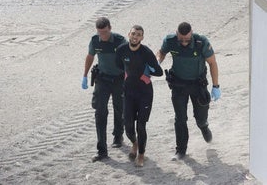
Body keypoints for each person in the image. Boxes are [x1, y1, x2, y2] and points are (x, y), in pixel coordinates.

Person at [156, 22, 221, 160]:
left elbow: (212, 63)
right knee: (180, 119)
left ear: (191, 33)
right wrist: (157, 62)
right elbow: (161, 52)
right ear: (176, 34)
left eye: (187, 39)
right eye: (181, 39)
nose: (184, 42)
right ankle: (181, 150)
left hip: (198, 85)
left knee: (200, 117)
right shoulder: (170, 41)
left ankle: (203, 126)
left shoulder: (201, 42)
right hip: (178, 85)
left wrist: (216, 86)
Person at [116, 25, 163, 167]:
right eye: (133, 34)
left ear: (142, 38)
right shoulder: (121, 50)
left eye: (139, 35)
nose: (135, 36)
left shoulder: (146, 53)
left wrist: (146, 73)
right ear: (129, 34)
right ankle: (135, 144)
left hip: (145, 93)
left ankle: (141, 155)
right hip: (129, 91)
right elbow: (119, 65)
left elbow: (159, 72)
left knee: (141, 125)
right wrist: (128, 74)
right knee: (128, 126)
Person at [81, 17, 126, 162]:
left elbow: (129, 59)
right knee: (100, 112)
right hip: (102, 79)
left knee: (119, 108)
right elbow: (90, 56)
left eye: (105, 32)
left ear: (110, 28)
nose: (103, 36)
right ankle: (102, 151)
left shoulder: (120, 41)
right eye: (100, 33)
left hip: (119, 80)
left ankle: (118, 135)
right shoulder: (95, 40)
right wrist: (85, 76)